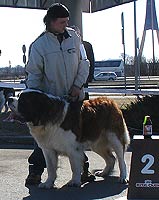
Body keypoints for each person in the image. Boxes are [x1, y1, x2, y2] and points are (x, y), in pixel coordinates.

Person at [25, 3, 95, 185]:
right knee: (43, 138)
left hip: (75, 99)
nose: (66, 25)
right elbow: (34, 75)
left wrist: (78, 86)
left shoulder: (75, 38)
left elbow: (84, 63)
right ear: (51, 22)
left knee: (76, 136)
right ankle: (36, 171)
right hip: (50, 104)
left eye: (67, 21)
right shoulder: (38, 46)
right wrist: (32, 100)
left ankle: (82, 170)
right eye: (62, 22)